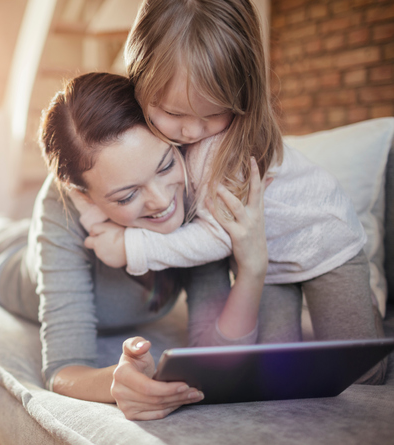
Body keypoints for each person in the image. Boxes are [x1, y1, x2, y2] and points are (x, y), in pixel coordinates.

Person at [82, 0, 386, 384]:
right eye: (174, 114)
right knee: (279, 373)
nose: (192, 131)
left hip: (324, 244)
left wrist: (133, 248)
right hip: (269, 262)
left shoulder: (221, 152)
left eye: (212, 114)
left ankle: (368, 303)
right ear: (139, 81)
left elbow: (217, 238)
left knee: (365, 373)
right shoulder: (151, 142)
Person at [0, 72, 268, 420]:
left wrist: (252, 269)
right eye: (127, 195)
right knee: (0, 238)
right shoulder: (62, 206)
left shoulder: (194, 179)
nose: (162, 201)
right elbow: (63, 369)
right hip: (8, 263)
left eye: (165, 165)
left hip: (49, 237)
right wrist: (116, 382)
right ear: (83, 196)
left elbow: (216, 351)